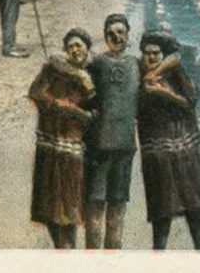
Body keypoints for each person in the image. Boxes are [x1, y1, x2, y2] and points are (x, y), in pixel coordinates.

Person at [137, 31, 200, 250]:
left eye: (155, 53)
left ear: (163, 54)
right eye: (147, 53)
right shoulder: (139, 75)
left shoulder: (176, 73)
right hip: (157, 159)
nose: (151, 57)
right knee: (161, 221)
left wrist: (164, 92)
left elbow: (191, 101)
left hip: (186, 156)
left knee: (196, 216)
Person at [28, 28, 97, 249]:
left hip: (73, 149)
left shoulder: (92, 72)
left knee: (69, 207)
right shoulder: (53, 68)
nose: (75, 50)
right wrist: (57, 104)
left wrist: (75, 111)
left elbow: (95, 111)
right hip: (48, 145)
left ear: (87, 48)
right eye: (70, 47)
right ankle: (61, 248)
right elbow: (35, 93)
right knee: (48, 207)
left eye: (79, 46)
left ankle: (67, 250)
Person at [82, 13, 139, 249]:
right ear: (105, 37)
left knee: (117, 211)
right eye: (111, 34)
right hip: (98, 147)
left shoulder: (137, 65)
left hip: (125, 148)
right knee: (94, 208)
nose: (116, 37)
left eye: (120, 33)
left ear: (128, 35)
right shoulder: (96, 63)